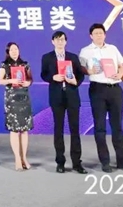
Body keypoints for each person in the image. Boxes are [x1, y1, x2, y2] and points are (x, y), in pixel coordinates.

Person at [79, 23, 123, 173]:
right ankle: (105, 161)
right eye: (96, 33)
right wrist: (89, 70)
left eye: (101, 33)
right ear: (91, 36)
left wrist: (120, 74)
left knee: (117, 126)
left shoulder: (112, 48)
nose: (99, 35)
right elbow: (80, 69)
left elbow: (122, 65)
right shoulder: (85, 51)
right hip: (97, 89)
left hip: (115, 89)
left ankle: (122, 161)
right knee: (100, 127)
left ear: (105, 35)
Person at [40, 31, 87, 174]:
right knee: (58, 129)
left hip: (72, 95)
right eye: (57, 39)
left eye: (62, 39)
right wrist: (53, 77)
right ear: (52, 41)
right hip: (57, 97)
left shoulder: (73, 57)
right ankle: (60, 162)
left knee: (75, 129)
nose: (60, 42)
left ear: (66, 42)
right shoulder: (47, 57)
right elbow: (43, 75)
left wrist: (75, 81)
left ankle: (77, 163)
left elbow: (80, 75)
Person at [0, 42, 33, 171]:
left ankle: (24, 158)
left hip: (24, 99)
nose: (14, 52)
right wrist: (11, 80)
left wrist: (27, 83)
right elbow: (0, 81)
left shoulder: (25, 64)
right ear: (8, 52)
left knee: (24, 129)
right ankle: (17, 159)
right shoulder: (4, 65)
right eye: (12, 50)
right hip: (12, 99)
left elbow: (30, 80)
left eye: (16, 49)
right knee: (14, 129)